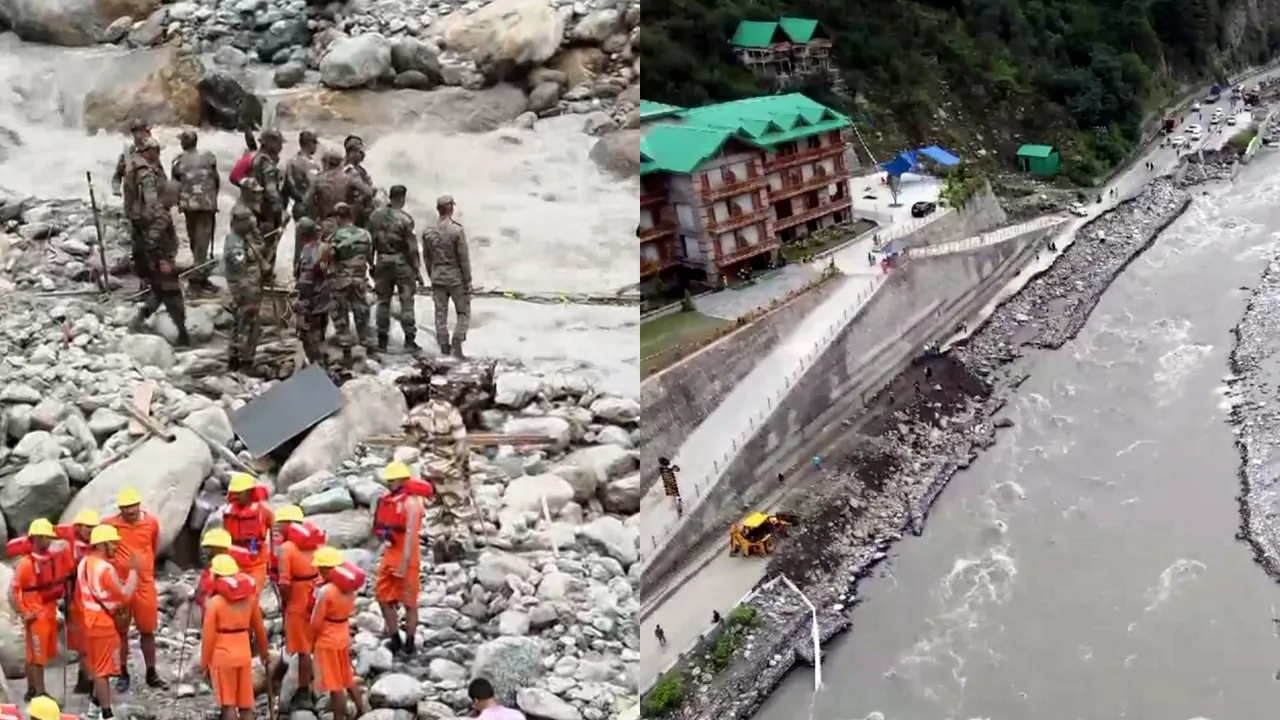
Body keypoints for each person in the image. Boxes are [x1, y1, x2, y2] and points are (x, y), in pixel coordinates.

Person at [126, 138, 191, 346]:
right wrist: (163, 261)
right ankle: (183, 335)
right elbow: (153, 240)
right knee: (173, 297)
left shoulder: (153, 209)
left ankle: (137, 321)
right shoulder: (161, 215)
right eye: (177, 197)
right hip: (159, 262)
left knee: (158, 293)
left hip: (149, 262)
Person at [103, 488, 166, 692]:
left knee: (147, 630)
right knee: (121, 631)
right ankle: (122, 672)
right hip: (119, 585)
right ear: (119, 509)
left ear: (140, 505)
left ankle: (151, 672)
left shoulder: (151, 523)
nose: (130, 512)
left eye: (133, 507)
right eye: (125, 509)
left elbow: (153, 546)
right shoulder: (110, 525)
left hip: (144, 584)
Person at [77, 523, 140, 718]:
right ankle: (107, 713)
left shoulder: (84, 563)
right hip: (103, 623)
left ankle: (94, 707)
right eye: (112, 544)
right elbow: (124, 596)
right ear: (102, 544)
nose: (115, 548)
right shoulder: (105, 569)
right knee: (103, 671)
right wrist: (134, 573)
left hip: (89, 620)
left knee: (98, 666)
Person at [403, 393, 472, 563]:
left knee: (432, 506)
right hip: (449, 470)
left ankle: (436, 539)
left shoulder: (415, 413)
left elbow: (410, 441)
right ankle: (457, 543)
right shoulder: (450, 412)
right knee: (459, 508)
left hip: (428, 469)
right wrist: (465, 468)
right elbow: (461, 446)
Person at [373, 462, 429, 656]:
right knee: (382, 597)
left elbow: (411, 535)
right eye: (388, 480)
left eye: (393, 480)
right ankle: (395, 638)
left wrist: (404, 564)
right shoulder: (391, 501)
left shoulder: (412, 504)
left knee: (409, 602)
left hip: (408, 558)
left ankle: (410, 643)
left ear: (403, 480)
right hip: (390, 554)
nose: (389, 484)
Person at [200, 555, 266, 720]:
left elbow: (208, 637)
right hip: (244, 655)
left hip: (223, 658)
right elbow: (259, 629)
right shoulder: (250, 599)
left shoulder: (215, 603)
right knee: (246, 703)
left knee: (228, 704)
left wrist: (204, 662)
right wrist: (264, 653)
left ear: (216, 577)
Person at [10, 520, 69, 701]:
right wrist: (24, 612)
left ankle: (32, 689)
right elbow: (15, 590)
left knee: (36, 655)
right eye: (45, 537)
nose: (49, 541)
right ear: (35, 538)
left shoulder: (50, 560)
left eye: (49, 537)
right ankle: (40, 693)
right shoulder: (27, 564)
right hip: (36, 616)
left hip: (49, 611)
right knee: (37, 657)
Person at [219, 473, 274, 657]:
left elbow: (274, 537)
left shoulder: (264, 512)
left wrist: (274, 566)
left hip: (256, 562)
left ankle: (254, 639)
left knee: (251, 599)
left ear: (250, 492)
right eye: (234, 493)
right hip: (234, 562)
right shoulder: (227, 512)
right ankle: (240, 634)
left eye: (239, 493)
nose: (236, 497)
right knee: (233, 597)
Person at [270, 505, 319, 710]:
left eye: (280, 525)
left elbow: (284, 583)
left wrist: (285, 602)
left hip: (297, 602)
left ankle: (304, 691)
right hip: (315, 598)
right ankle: (316, 683)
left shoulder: (286, 549)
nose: (277, 529)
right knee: (311, 644)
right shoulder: (315, 545)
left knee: (302, 650)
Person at [310, 547, 367, 720]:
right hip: (343, 635)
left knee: (335, 686)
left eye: (320, 568)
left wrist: (311, 642)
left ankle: (338, 717)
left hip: (327, 641)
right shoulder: (348, 588)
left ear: (327, 569)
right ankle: (361, 709)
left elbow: (316, 622)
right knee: (347, 677)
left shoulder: (326, 592)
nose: (318, 571)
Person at [368, 184, 421, 353]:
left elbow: (370, 243)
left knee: (383, 302)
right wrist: (417, 271)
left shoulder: (375, 217)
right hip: (401, 263)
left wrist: (371, 264)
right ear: (402, 198)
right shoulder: (405, 219)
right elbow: (411, 248)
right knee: (406, 301)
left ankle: (382, 341)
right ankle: (410, 340)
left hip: (382, 260)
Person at [223, 179, 268, 373]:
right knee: (246, 323)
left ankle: (242, 358)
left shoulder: (244, 237)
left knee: (247, 323)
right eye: (248, 221)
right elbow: (240, 273)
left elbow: (258, 247)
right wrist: (248, 295)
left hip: (250, 284)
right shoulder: (235, 244)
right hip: (245, 288)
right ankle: (242, 361)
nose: (252, 223)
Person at [169, 129, 220, 294]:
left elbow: (175, 185)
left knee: (194, 240)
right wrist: (212, 197)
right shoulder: (209, 157)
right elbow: (216, 179)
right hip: (206, 204)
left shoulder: (177, 161)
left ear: (184, 143)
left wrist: (178, 202)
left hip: (189, 205)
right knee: (203, 242)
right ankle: (199, 278)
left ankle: (199, 278)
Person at [421, 194, 472, 358]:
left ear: (438, 210)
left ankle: (444, 347)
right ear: (451, 209)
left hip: (437, 277)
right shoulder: (456, 230)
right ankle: (457, 342)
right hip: (455, 278)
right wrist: (468, 280)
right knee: (463, 312)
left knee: (440, 314)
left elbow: (426, 258)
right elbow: (463, 258)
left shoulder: (428, 232)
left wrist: (431, 275)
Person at [328, 202, 374, 367]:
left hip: (341, 281)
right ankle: (366, 353)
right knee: (361, 316)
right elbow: (369, 258)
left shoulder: (336, 236)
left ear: (340, 218)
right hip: (360, 281)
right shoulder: (365, 235)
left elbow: (331, 257)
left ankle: (347, 354)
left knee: (341, 317)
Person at [66, 510, 100, 695]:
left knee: (91, 641)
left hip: (93, 598)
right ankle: (86, 679)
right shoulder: (70, 546)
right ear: (78, 527)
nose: (90, 530)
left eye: (93, 527)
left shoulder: (97, 546)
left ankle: (86, 678)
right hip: (77, 598)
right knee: (84, 643)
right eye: (87, 527)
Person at [293, 217, 332, 366]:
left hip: (313, 302)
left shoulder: (308, 252)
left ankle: (319, 368)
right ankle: (323, 364)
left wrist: (300, 303)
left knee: (310, 338)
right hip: (324, 300)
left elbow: (306, 280)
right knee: (320, 336)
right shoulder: (324, 247)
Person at [250, 129, 286, 283]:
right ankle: (264, 277)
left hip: (257, 208)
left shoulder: (256, 158)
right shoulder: (266, 162)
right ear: (269, 143)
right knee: (269, 243)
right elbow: (271, 189)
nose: (281, 147)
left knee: (259, 242)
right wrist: (281, 209)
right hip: (267, 211)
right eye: (278, 143)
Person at [110, 119, 152, 251]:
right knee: (136, 237)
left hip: (150, 203)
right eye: (138, 132)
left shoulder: (153, 151)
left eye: (144, 131)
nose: (141, 135)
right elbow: (117, 175)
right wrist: (116, 189)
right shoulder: (128, 154)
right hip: (133, 202)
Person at [302, 151, 352, 240]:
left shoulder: (319, 179)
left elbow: (306, 201)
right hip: (345, 223)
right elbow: (366, 193)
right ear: (341, 163)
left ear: (327, 163)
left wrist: (315, 216)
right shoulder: (348, 178)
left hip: (326, 223)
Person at [282, 130, 319, 224]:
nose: (316, 146)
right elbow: (314, 185)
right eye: (315, 143)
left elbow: (286, 188)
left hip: (297, 206)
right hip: (309, 207)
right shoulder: (310, 164)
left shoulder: (291, 162)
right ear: (309, 143)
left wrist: (283, 209)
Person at [341, 136, 374, 227]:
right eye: (360, 152)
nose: (364, 155)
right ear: (352, 153)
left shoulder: (361, 170)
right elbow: (367, 192)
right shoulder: (348, 170)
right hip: (350, 212)